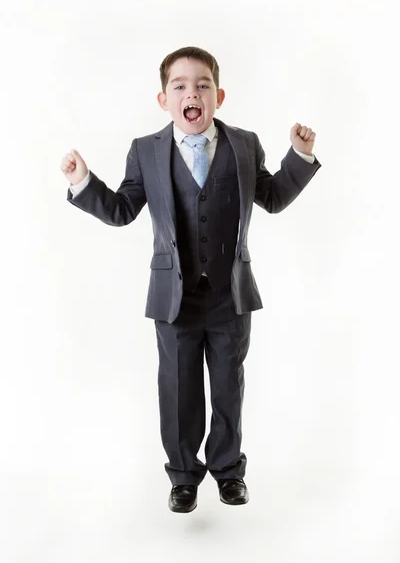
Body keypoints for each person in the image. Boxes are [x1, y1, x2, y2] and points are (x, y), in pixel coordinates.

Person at [60, 46, 321, 514]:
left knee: (227, 386)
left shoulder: (244, 144)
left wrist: (299, 156)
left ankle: (228, 471)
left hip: (230, 296)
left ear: (218, 95)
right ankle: (183, 476)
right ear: (164, 99)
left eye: (202, 84)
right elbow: (122, 211)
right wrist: (83, 182)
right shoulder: (145, 150)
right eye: (179, 86)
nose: (191, 92)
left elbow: (274, 198)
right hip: (173, 297)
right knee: (178, 389)